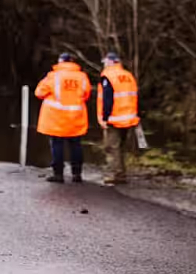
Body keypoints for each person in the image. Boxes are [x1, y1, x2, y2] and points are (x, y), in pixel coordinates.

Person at [35, 52, 91, 183]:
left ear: (60, 62)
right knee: (76, 145)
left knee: (57, 146)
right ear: (72, 61)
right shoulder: (82, 77)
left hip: (57, 119)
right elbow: (86, 95)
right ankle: (77, 174)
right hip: (76, 117)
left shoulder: (53, 76)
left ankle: (58, 174)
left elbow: (39, 93)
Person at [97, 52, 139, 185]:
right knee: (120, 146)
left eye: (105, 62)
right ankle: (121, 172)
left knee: (111, 147)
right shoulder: (128, 75)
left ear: (110, 62)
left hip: (114, 118)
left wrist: (105, 118)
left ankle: (116, 175)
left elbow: (107, 99)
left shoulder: (108, 76)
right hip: (128, 117)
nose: (104, 64)